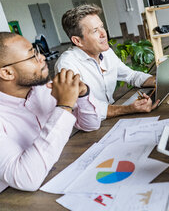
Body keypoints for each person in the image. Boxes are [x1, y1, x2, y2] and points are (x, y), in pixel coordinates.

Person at [0, 32, 101, 192]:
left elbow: (91, 125)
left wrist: (82, 93)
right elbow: (27, 179)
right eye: (32, 56)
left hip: (61, 174)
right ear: (7, 73)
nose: (42, 58)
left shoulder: (42, 89)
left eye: (37, 51)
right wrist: (65, 106)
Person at [55, 4, 159, 120]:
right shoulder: (67, 64)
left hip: (110, 117)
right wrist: (128, 109)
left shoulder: (106, 52)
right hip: (85, 129)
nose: (104, 34)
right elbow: (84, 109)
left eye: (102, 27)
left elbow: (131, 75)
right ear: (77, 41)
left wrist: (159, 81)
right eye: (95, 31)